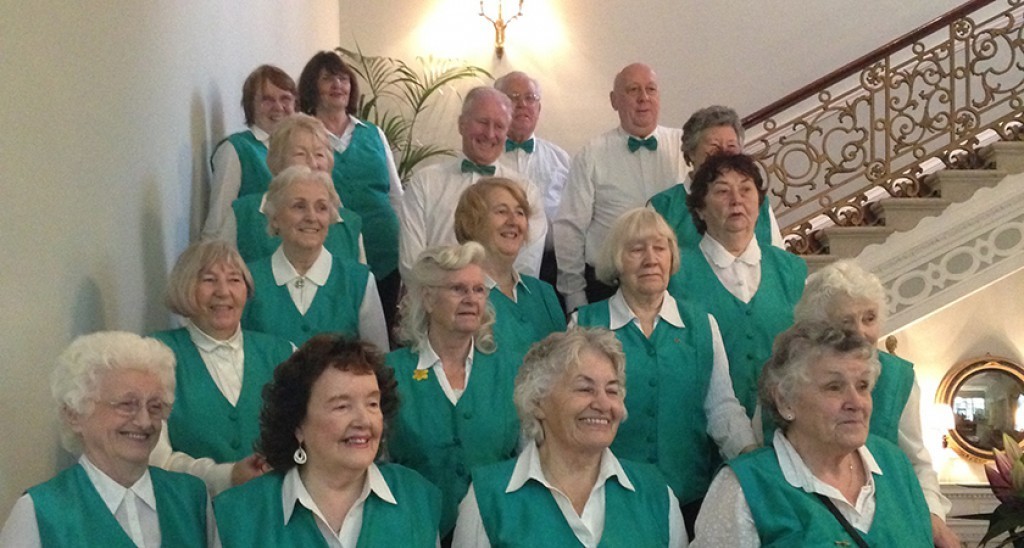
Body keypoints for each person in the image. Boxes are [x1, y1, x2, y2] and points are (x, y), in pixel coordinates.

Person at [572, 207, 756, 536]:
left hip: (692, 498)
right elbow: (569, 414)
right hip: (609, 500)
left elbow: (722, 407)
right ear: (616, 260)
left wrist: (752, 457)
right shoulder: (584, 324)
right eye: (636, 249)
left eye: (660, 248)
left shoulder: (701, 323)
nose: (651, 259)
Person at [694, 322, 933, 547]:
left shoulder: (894, 465)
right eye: (834, 387)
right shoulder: (744, 487)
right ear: (785, 401)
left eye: (862, 386)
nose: (856, 402)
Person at [453, 328, 687, 547]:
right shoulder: (487, 499)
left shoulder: (657, 494)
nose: (603, 404)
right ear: (537, 402)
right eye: (585, 389)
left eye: (612, 391)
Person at [789, 260, 960, 547]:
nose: (861, 332)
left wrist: (932, 517)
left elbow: (918, 462)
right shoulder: (793, 377)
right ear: (816, 328)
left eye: (869, 318)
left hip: (889, 520)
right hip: (810, 512)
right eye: (846, 322)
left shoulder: (899, 378)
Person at [213, 336, 441, 546]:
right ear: (298, 423)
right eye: (342, 406)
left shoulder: (418, 498)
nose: (363, 420)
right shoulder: (237, 514)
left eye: (372, 404)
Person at [0, 332, 208, 547]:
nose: (145, 421)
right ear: (75, 414)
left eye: (155, 406)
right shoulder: (40, 511)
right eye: (127, 404)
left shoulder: (192, 498)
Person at [386, 242, 521, 538]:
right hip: (414, 529)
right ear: (429, 299)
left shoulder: (511, 370)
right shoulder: (389, 372)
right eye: (458, 289)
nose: (471, 299)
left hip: (495, 530)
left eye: (479, 290)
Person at [148, 240, 293, 495]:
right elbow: (155, 460)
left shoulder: (285, 354)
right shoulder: (154, 356)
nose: (223, 291)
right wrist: (226, 476)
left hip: (274, 511)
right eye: (209, 280)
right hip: (189, 515)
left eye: (234, 280)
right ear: (185, 288)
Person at [668, 153, 806, 416]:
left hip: (785, 421)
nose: (736, 200)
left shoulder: (791, 269)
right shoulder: (675, 273)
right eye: (722, 191)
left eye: (746, 189)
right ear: (700, 209)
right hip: (702, 424)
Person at [554, 63, 687, 310]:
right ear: (614, 100)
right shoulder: (591, 155)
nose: (643, 98)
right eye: (633, 90)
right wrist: (574, 295)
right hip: (607, 286)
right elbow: (569, 229)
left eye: (651, 89)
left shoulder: (683, 147)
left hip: (678, 284)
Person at [298, 51, 404, 337]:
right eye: (328, 78)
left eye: (343, 78)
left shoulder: (374, 133)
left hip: (385, 249)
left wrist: (406, 250)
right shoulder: (303, 134)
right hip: (333, 247)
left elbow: (396, 194)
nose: (338, 85)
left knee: (382, 334)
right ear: (311, 86)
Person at [399, 86, 548, 280]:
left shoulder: (525, 190)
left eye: (500, 126)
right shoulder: (425, 182)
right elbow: (412, 262)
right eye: (483, 122)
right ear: (461, 124)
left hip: (504, 304)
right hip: (436, 300)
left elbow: (527, 265)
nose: (490, 133)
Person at [240, 165, 388, 350]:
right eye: (299, 206)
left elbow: (378, 360)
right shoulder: (248, 280)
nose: (311, 217)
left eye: (321, 208)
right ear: (275, 217)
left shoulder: (359, 281)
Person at [226, 114, 365, 265]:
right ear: (277, 161)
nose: (313, 163)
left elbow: (360, 284)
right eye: (301, 154)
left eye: (319, 154)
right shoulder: (244, 214)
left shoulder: (350, 225)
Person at [453, 178, 566, 361]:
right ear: (471, 222)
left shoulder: (543, 293)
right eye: (501, 211)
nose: (513, 221)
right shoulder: (455, 294)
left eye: (520, 213)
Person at [649, 105, 784, 250]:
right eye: (714, 146)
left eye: (731, 146)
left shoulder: (757, 201)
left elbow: (778, 256)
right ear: (691, 153)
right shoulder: (663, 207)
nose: (723, 153)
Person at [494, 71, 570, 292]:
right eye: (514, 97)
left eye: (530, 98)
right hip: (493, 264)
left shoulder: (560, 159)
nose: (523, 104)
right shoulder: (487, 157)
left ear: (539, 108)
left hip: (550, 268)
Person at [204, 65, 296, 240]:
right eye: (267, 99)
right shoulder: (235, 150)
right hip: (251, 257)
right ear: (250, 105)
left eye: (285, 98)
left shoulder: (301, 149)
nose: (278, 107)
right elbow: (217, 223)